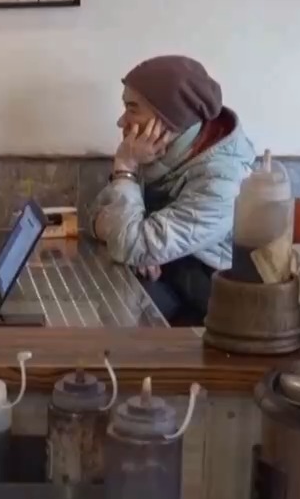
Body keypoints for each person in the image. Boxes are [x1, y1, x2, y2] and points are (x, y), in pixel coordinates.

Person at [90, 55, 256, 326]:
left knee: (116, 320)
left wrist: (125, 168)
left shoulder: (222, 181)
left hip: (212, 313)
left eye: (132, 109)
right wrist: (135, 243)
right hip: (172, 287)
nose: (121, 121)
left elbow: (129, 243)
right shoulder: (157, 153)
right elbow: (95, 217)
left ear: (169, 118)